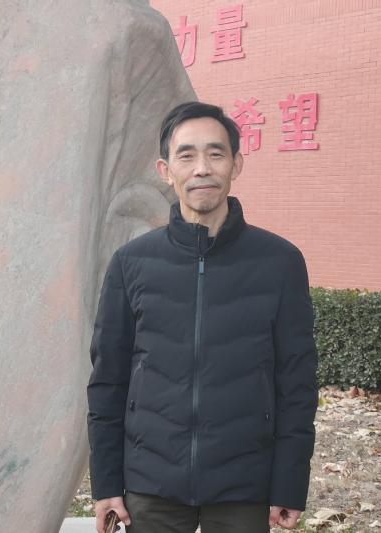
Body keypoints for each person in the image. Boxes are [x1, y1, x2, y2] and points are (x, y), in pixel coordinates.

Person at [86, 101, 318, 533]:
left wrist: (289, 483)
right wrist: (106, 483)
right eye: (186, 155)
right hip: (150, 484)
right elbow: (108, 381)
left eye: (216, 154)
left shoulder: (280, 262)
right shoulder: (131, 262)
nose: (202, 169)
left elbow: (297, 383)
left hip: (244, 485)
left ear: (236, 164)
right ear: (165, 170)